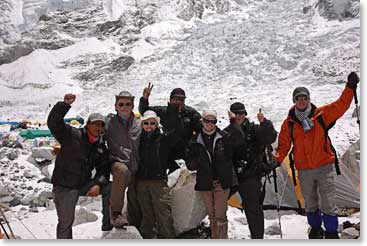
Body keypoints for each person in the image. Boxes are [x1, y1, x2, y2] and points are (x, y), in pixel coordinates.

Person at [274, 72, 360, 239]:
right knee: (310, 203)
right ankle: (315, 229)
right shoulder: (289, 123)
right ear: (294, 101)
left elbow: (341, 105)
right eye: (299, 98)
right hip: (304, 170)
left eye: (305, 97)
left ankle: (331, 232)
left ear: (309, 99)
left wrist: (350, 88)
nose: (302, 101)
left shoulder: (321, 115)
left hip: (324, 167)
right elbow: (283, 146)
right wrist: (276, 160)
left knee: (328, 202)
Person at [47, 94, 112, 239]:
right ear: (87, 124)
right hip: (64, 186)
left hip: (82, 183)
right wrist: (64, 105)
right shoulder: (71, 134)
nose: (98, 127)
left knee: (110, 187)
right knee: (65, 222)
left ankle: (107, 225)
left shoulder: (100, 146)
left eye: (101, 125)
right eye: (95, 123)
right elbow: (53, 123)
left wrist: (98, 184)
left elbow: (104, 169)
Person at [224, 102, 277, 239]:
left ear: (245, 114)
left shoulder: (255, 129)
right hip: (233, 176)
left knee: (253, 209)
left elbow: (270, 137)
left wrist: (265, 122)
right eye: (235, 114)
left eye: (241, 113)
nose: (239, 116)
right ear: (231, 115)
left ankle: (257, 238)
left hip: (251, 176)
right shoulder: (227, 131)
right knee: (218, 206)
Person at [185, 110, 239, 239]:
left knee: (220, 214)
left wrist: (233, 122)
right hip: (205, 182)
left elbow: (238, 140)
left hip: (222, 181)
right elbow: (190, 164)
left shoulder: (224, 137)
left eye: (213, 121)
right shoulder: (194, 140)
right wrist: (198, 160)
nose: (209, 124)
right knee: (212, 215)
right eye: (206, 120)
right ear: (202, 121)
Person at [139, 83, 202, 173]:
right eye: (175, 98)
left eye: (181, 99)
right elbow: (144, 111)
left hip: (186, 148)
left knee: (193, 166)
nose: (178, 101)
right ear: (170, 99)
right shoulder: (163, 111)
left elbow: (201, 129)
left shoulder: (191, 113)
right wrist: (145, 98)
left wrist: (193, 142)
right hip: (167, 148)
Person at [135, 110, 176, 239]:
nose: (149, 126)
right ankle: (148, 237)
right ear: (142, 124)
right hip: (141, 180)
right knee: (146, 213)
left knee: (163, 212)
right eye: (146, 123)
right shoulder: (137, 139)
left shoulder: (164, 139)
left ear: (157, 124)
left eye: (152, 123)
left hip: (158, 181)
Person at [105, 91, 142, 228]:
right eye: (121, 104)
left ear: (132, 106)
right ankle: (115, 213)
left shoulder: (139, 123)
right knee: (121, 171)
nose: (124, 107)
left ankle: (134, 223)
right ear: (115, 106)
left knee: (135, 198)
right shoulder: (109, 123)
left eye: (128, 104)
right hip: (118, 162)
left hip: (136, 165)